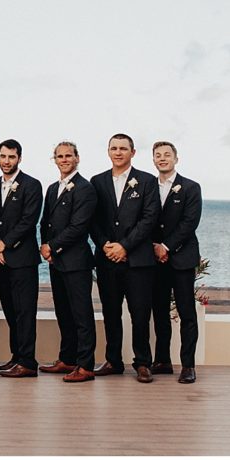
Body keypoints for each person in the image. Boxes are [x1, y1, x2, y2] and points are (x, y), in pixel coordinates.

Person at [90, 133, 161, 383]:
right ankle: (113, 360)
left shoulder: (147, 181)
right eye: (113, 148)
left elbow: (150, 218)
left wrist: (125, 246)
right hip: (107, 259)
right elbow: (93, 220)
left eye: (123, 148)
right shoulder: (97, 181)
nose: (118, 152)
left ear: (132, 152)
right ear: (108, 152)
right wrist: (105, 245)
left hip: (138, 261)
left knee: (140, 313)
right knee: (110, 312)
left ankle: (142, 362)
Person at [38, 141, 98, 383]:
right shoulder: (52, 188)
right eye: (59, 156)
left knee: (81, 315)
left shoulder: (85, 188)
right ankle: (68, 359)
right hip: (56, 262)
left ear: (77, 158)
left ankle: (86, 365)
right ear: (55, 159)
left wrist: (52, 246)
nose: (64, 159)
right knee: (63, 313)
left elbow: (78, 226)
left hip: (76, 262)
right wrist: (46, 247)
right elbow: (45, 222)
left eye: (68, 155)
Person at [0, 139, 43, 378]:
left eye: (11, 157)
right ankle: (16, 358)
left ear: (19, 158)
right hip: (0, 260)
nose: (6, 161)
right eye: (3, 156)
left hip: (23, 259)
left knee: (25, 312)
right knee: (11, 311)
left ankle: (28, 362)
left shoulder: (31, 185)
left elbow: (28, 221)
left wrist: (5, 244)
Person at [149, 141, 202, 384]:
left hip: (180, 259)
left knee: (187, 313)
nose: (162, 159)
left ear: (176, 159)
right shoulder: (148, 186)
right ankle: (162, 360)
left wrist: (166, 247)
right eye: (158, 155)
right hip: (154, 260)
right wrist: (153, 247)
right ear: (153, 160)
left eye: (167, 155)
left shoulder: (191, 187)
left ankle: (188, 365)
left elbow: (189, 223)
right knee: (159, 311)